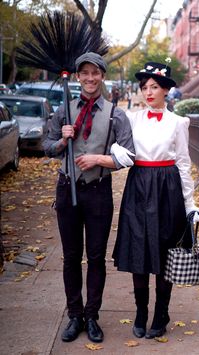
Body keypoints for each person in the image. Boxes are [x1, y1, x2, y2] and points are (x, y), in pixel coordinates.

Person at [43, 52, 135, 343]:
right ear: (78, 76)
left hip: (98, 192)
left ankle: (92, 316)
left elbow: (129, 156)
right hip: (66, 187)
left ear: (102, 76)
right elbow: (46, 145)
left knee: (96, 258)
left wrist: (99, 158)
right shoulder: (64, 111)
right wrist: (62, 139)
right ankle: (74, 315)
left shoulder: (115, 113)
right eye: (85, 73)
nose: (90, 78)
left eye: (95, 73)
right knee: (71, 257)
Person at [112, 61, 199, 340]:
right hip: (139, 187)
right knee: (139, 251)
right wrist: (115, 149)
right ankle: (141, 312)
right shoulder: (131, 118)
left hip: (168, 190)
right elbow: (118, 149)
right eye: (144, 88)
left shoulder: (179, 122)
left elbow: (184, 164)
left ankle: (161, 315)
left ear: (165, 90)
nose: (148, 92)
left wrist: (190, 205)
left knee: (166, 253)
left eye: (154, 87)